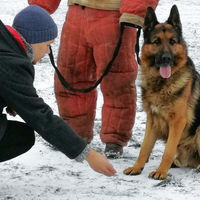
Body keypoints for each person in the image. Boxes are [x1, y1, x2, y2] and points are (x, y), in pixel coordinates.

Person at [27, 0, 159, 158]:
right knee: (70, 76)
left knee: (117, 80)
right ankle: (74, 132)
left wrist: (134, 11)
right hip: (76, 15)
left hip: (113, 17)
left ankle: (115, 138)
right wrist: (41, 5)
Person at [0, 5, 116, 176]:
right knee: (18, 137)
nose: (48, 51)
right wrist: (89, 155)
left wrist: (10, 97)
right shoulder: (13, 65)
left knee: (18, 134)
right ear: (36, 39)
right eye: (48, 45)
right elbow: (42, 118)